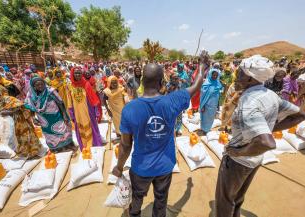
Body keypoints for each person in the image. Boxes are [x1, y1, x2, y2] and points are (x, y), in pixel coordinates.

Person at [112, 51, 210, 217]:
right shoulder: (173, 101)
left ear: (142, 81)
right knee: (161, 201)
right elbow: (196, 85)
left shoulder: (130, 109)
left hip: (140, 167)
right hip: (165, 166)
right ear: (161, 82)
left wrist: (119, 166)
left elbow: (126, 145)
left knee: (136, 199)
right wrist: (201, 66)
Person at [215, 55, 305, 217]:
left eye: (241, 73)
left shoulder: (248, 103)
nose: (237, 76)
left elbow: (266, 142)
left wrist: (238, 152)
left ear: (251, 79)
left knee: (225, 200)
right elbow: (300, 115)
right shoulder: (270, 95)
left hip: (238, 162)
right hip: (255, 160)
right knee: (237, 198)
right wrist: (268, 127)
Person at [24, 77, 76, 153]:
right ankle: (55, 148)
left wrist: (64, 114)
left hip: (56, 116)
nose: (40, 86)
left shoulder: (50, 91)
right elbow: (31, 107)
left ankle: (67, 145)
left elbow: (60, 103)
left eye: (42, 84)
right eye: (37, 85)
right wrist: (33, 117)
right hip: (43, 119)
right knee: (49, 133)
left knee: (62, 130)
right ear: (33, 86)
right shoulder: (30, 95)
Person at [0, 84, 42, 158]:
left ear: (0, 90)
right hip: (7, 124)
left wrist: (9, 112)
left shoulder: (9, 99)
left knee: (24, 136)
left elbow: (21, 106)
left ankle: (32, 153)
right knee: (14, 139)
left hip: (19, 121)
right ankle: (22, 152)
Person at [67, 67, 103, 150]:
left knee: (92, 127)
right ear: (72, 74)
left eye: (79, 73)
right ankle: (85, 146)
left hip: (89, 111)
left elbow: (93, 99)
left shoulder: (86, 84)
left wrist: (96, 111)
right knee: (80, 129)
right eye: (76, 73)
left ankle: (95, 144)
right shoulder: (70, 87)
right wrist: (71, 114)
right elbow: (69, 102)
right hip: (77, 113)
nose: (78, 75)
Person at [200, 69, 223, 134]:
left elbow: (220, 90)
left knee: (211, 118)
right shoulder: (206, 83)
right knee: (205, 118)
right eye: (214, 75)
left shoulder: (218, 83)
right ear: (210, 75)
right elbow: (203, 96)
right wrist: (203, 105)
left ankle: (208, 128)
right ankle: (204, 129)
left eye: (216, 75)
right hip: (206, 105)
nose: (215, 76)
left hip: (214, 105)